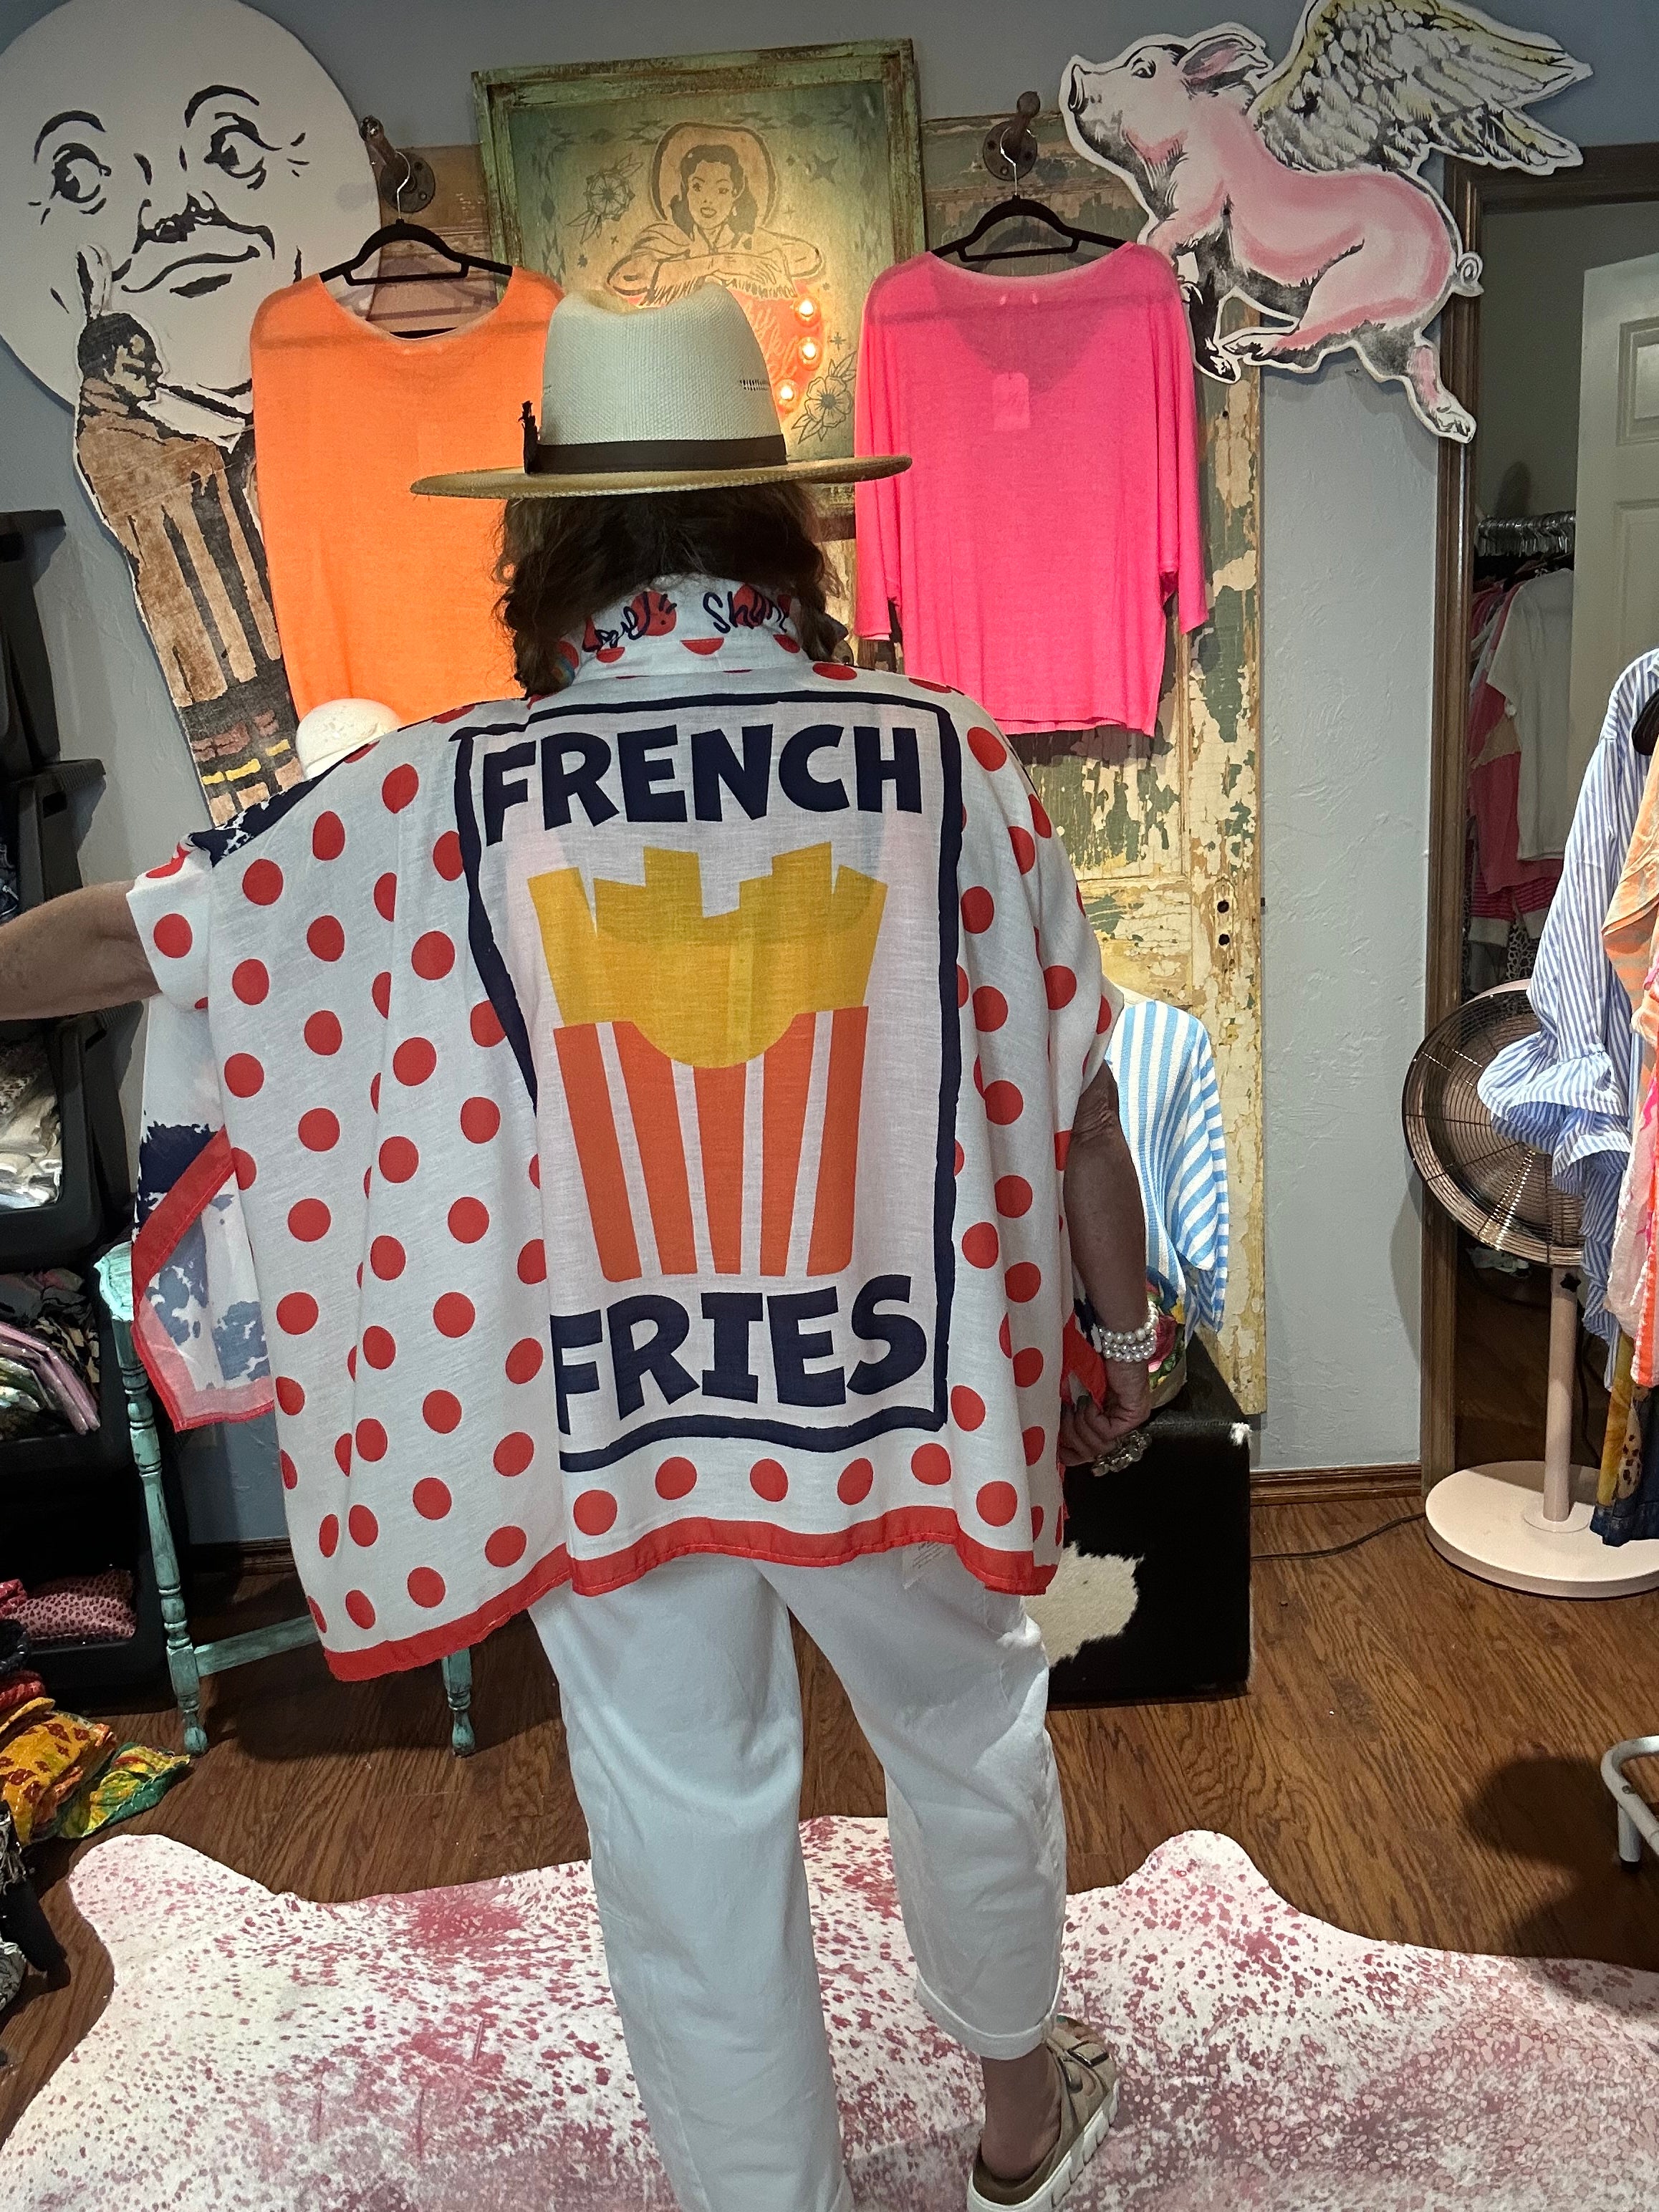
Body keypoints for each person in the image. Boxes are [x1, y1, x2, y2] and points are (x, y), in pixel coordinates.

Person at [0, 284, 1153, 2212]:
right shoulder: (951, 761)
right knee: (966, 1723)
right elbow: (1083, 1100)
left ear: (544, 545)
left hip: (614, 1423)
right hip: (903, 1397)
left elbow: (144, 934)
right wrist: (1123, 1332)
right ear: (783, 526)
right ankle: (1022, 2124)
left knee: (687, 1820)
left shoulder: (436, 789)